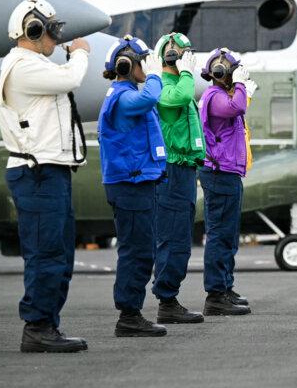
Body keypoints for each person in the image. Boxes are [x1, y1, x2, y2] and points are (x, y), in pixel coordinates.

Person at [0, 0, 90, 353]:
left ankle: (47, 323)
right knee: (46, 252)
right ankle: (37, 327)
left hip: (50, 171)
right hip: (36, 173)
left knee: (60, 253)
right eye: (52, 30)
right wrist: (80, 52)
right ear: (33, 31)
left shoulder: (33, 66)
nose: (57, 37)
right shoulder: (22, 66)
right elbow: (72, 78)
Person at [98, 35, 168, 337]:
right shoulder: (124, 96)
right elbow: (150, 98)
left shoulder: (125, 92)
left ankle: (131, 314)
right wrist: (155, 73)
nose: (147, 66)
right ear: (127, 65)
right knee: (136, 251)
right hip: (130, 185)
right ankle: (129, 316)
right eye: (143, 61)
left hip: (137, 182)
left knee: (141, 249)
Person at [150, 32, 205, 324]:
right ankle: (167, 300)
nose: (188, 58)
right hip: (171, 170)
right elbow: (183, 96)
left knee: (181, 237)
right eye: (183, 53)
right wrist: (186, 70)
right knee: (172, 237)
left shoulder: (179, 82)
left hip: (184, 169)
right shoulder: (163, 86)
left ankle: (170, 297)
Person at [198, 48, 255, 316]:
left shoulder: (221, 96)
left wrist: (243, 89)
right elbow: (237, 107)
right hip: (219, 173)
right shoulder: (214, 96)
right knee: (220, 234)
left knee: (228, 236)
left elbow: (238, 109)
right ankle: (215, 295)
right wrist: (241, 85)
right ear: (222, 73)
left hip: (229, 172)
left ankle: (225, 287)